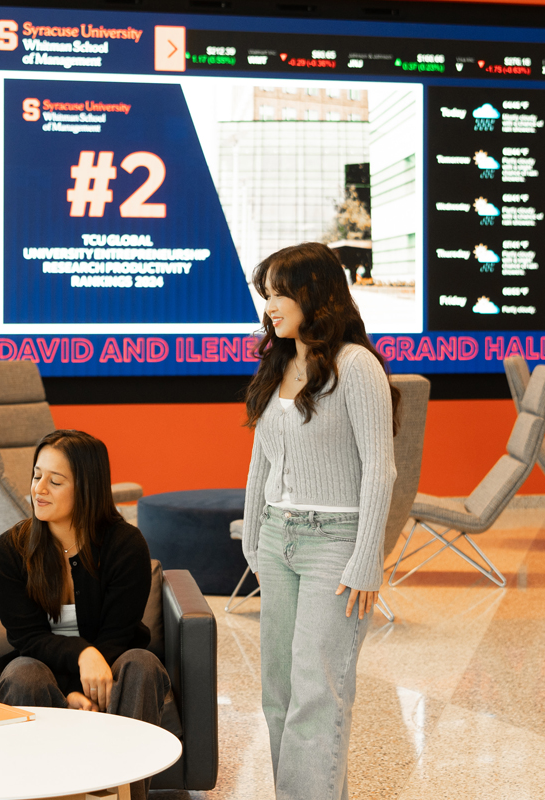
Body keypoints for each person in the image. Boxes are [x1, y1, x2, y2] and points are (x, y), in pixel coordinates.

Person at [241, 242, 398, 800]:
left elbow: (381, 468)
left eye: (280, 292)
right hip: (278, 538)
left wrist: (366, 558)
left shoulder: (357, 366)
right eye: (267, 294)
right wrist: (254, 535)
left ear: (314, 294)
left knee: (317, 692)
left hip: (335, 544)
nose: (271, 305)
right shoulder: (279, 362)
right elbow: (261, 461)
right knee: (278, 692)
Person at [0, 429, 169, 800]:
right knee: (23, 671)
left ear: (87, 488)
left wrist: (94, 669)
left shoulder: (125, 544)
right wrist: (74, 680)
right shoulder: (11, 549)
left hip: (112, 666)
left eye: (55, 481)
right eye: (37, 475)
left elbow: (119, 635)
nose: (39, 489)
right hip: (44, 671)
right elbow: (26, 638)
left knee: (143, 663)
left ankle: (124, 792)